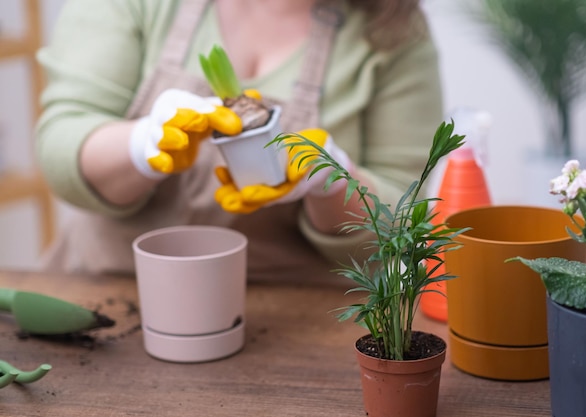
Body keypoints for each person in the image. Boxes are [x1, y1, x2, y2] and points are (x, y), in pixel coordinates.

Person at [35, 0, 444, 283]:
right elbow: (62, 139)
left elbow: (402, 216)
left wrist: (331, 180)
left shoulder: (392, 29)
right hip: (111, 288)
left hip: (297, 322)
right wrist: (144, 144)